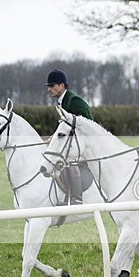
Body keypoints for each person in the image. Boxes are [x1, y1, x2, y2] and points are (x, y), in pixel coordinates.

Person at [45, 68, 93, 204]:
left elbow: (88, 126)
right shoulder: (62, 102)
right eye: (48, 86)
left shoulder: (75, 101)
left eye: (52, 85)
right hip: (74, 144)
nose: (49, 89)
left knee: (68, 160)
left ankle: (76, 198)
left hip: (86, 145)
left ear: (62, 85)